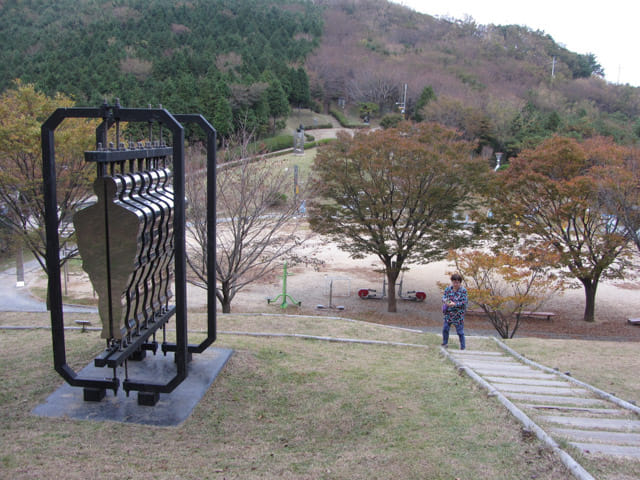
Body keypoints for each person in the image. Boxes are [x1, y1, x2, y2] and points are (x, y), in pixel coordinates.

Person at [441, 273, 467, 350]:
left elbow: (464, 302)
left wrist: (455, 304)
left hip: (458, 314)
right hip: (449, 313)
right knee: (445, 328)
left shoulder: (463, 291)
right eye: (454, 282)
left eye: (457, 282)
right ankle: (445, 343)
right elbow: (444, 298)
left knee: (460, 332)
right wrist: (448, 302)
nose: (456, 284)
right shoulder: (448, 289)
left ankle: (463, 347)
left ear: (460, 282)